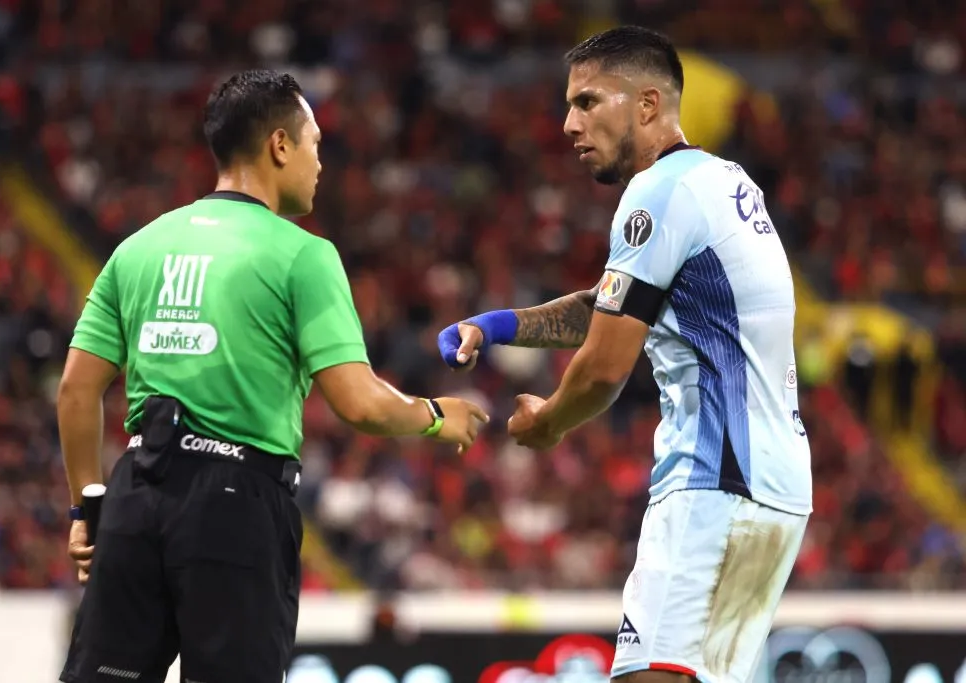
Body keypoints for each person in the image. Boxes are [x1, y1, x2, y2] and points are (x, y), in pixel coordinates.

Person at [57, 69, 489, 683]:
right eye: (314, 143)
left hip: (133, 498)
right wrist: (437, 416)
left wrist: (87, 508)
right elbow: (359, 403)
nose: (320, 161)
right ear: (279, 146)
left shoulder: (138, 248)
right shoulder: (302, 254)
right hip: (236, 503)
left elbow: (77, 390)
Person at [437, 26, 812, 683]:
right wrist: (494, 325)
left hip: (714, 483)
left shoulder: (657, 193)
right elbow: (609, 306)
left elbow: (607, 366)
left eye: (587, 102)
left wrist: (547, 421)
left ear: (645, 105)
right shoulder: (721, 181)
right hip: (769, 487)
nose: (567, 124)